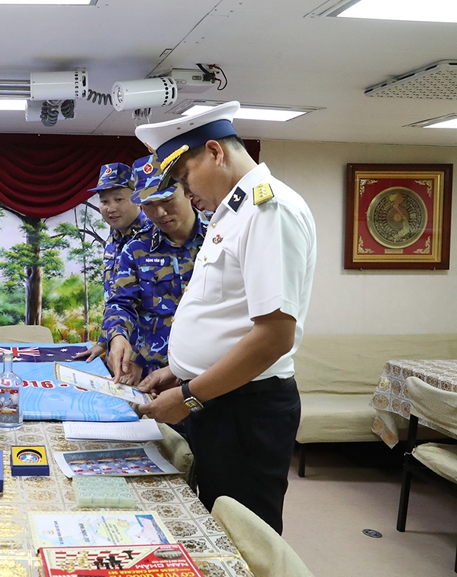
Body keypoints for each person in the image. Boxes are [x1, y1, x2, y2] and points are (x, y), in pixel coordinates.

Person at [134, 101, 317, 534]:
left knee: (242, 532)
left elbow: (274, 336)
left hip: (244, 408)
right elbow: (227, 314)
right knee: (212, 519)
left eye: (184, 178)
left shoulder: (268, 209)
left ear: (215, 152)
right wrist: (178, 371)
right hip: (218, 397)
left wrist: (189, 395)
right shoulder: (233, 213)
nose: (185, 192)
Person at [103, 154, 208, 386]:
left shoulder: (220, 237)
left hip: (208, 372)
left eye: (167, 200)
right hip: (149, 376)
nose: (159, 212)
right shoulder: (136, 249)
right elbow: (121, 303)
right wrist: (117, 335)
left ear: (188, 191)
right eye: (148, 204)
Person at [73, 162, 149, 363]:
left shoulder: (155, 236)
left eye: (119, 199)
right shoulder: (113, 239)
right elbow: (116, 298)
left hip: (151, 358)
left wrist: (140, 359)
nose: (111, 208)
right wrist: (103, 342)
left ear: (138, 198)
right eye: (104, 201)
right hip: (119, 353)